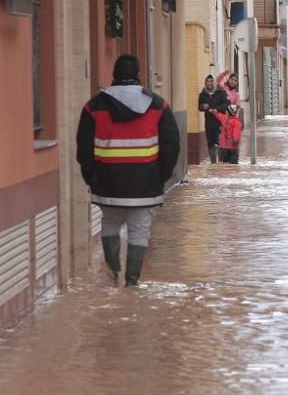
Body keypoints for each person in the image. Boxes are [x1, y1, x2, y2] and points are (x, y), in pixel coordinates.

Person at [77, 55, 180, 286]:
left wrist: (92, 177)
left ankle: (113, 277)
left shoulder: (93, 106)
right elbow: (172, 145)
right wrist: (160, 176)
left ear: (113, 74)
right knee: (139, 231)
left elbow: (83, 147)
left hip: (107, 182)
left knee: (110, 224)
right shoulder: (158, 105)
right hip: (145, 183)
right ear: (139, 75)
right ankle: (132, 283)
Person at [198, 74, 228, 164]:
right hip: (209, 121)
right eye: (208, 81)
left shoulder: (221, 92)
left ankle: (221, 162)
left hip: (219, 121)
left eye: (211, 81)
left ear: (214, 82)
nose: (209, 83)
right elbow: (199, 107)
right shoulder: (203, 94)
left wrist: (217, 109)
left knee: (219, 141)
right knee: (210, 142)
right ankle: (213, 163)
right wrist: (203, 106)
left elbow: (226, 104)